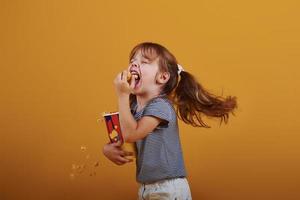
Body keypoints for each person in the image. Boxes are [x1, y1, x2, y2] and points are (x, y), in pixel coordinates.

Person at [102, 42, 237, 199]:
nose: (134, 64)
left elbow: (132, 134)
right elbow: (119, 136)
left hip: (168, 188)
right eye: (132, 61)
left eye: (144, 62)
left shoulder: (161, 106)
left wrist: (122, 95)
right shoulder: (131, 106)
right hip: (146, 188)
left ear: (163, 77)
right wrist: (107, 149)